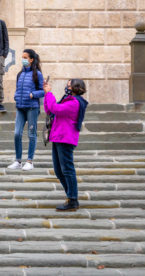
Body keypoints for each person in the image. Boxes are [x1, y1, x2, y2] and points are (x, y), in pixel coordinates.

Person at [43, 79, 88, 211]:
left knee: (67, 169)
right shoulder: (68, 100)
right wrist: (47, 95)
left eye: (69, 85)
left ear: (75, 87)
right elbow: (50, 110)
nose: (66, 87)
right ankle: (70, 195)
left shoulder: (75, 102)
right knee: (58, 170)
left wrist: (49, 93)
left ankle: (73, 199)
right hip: (58, 137)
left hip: (65, 138)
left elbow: (55, 108)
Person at [8, 49, 44, 171]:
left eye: (25, 57)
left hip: (32, 108)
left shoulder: (37, 74)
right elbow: (18, 89)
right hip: (20, 107)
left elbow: (43, 91)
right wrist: (16, 96)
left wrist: (32, 95)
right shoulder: (20, 74)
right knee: (17, 133)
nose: (23, 59)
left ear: (31, 59)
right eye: (22, 57)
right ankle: (18, 161)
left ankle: (29, 161)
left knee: (31, 134)